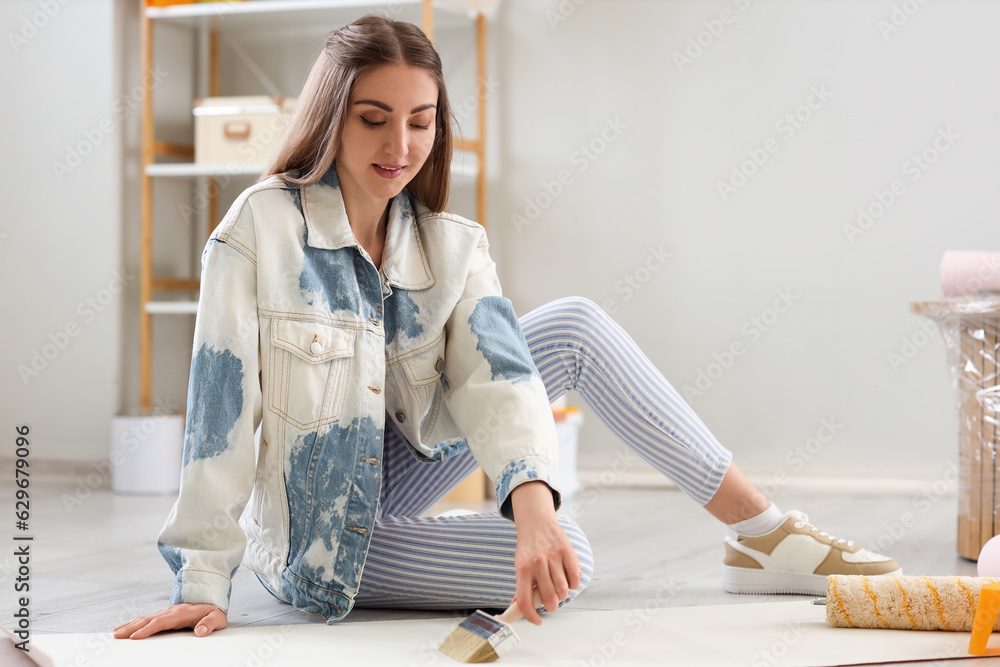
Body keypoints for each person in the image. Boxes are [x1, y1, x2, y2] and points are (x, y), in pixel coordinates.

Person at [114, 15, 899, 641]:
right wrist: (200, 585)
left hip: (395, 470)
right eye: (374, 120)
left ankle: (759, 533)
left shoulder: (450, 243)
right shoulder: (260, 229)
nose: (400, 148)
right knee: (572, 556)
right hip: (315, 538)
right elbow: (219, 420)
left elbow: (501, 380)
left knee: (573, 329)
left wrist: (529, 503)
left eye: (420, 122)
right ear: (329, 118)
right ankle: (464, 536)